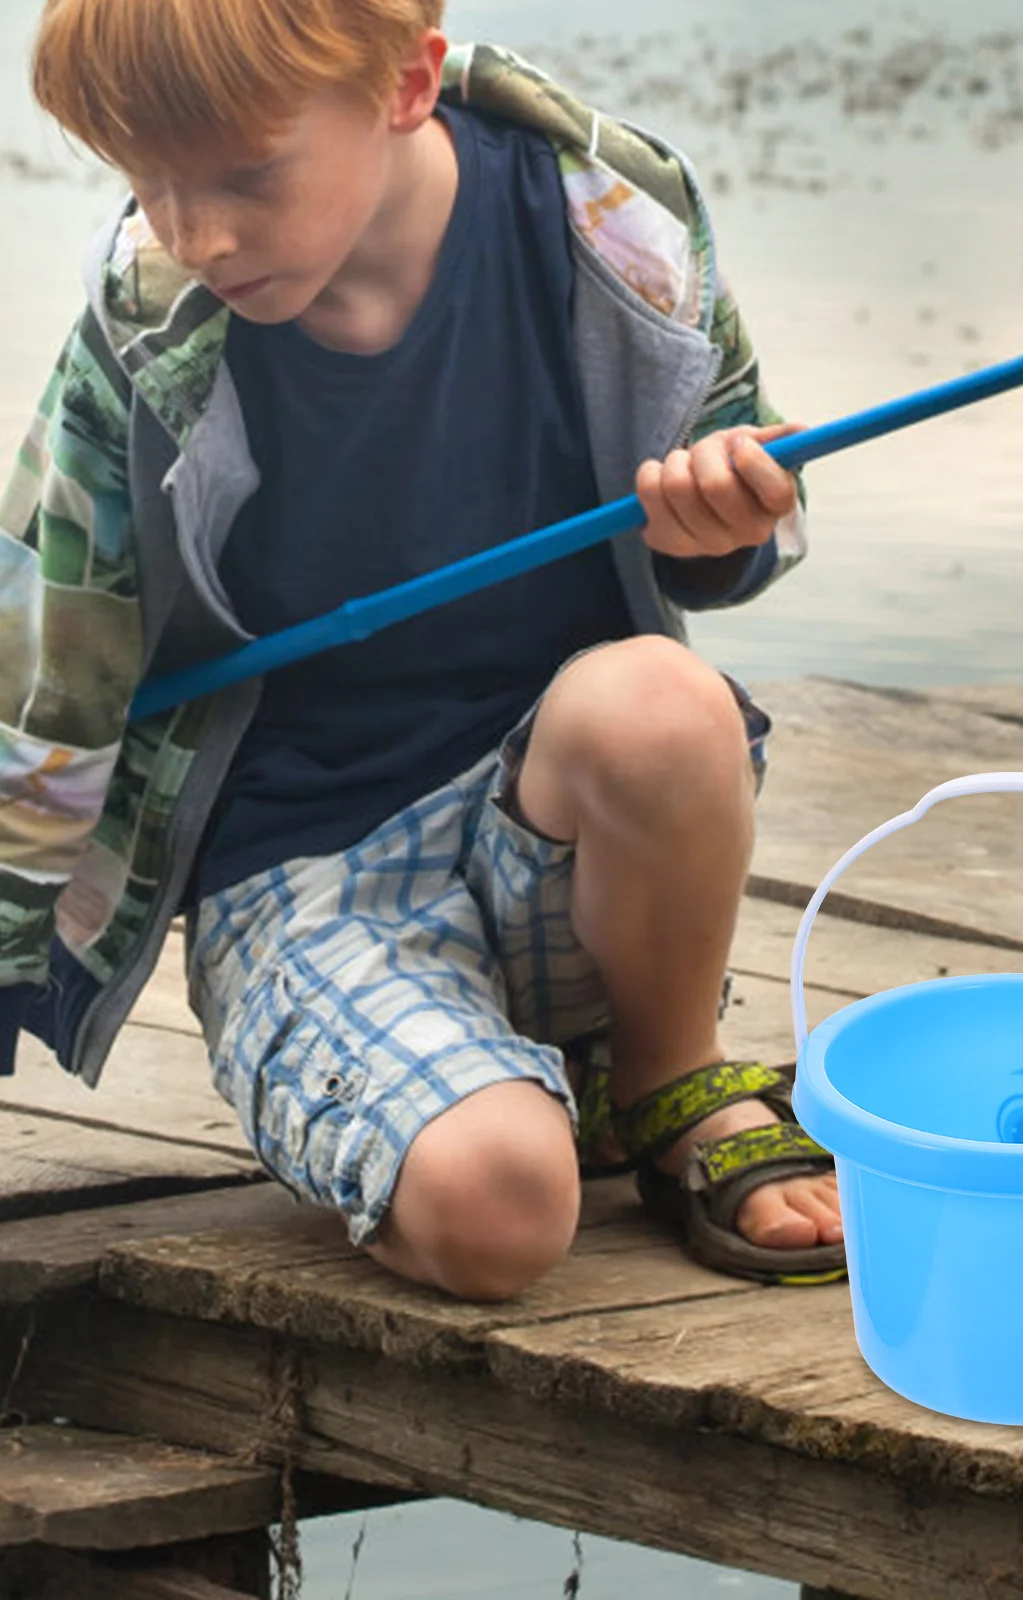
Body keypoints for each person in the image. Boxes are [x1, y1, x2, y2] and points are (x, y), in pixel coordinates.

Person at [0, 0, 846, 1299]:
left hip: (570, 849)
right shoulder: (148, 324)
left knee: (664, 702)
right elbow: (43, 696)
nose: (196, 232)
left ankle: (668, 1081)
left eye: (243, 176)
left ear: (405, 83)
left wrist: (719, 521)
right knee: (505, 1214)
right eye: (150, 183)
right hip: (307, 876)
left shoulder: (611, 219)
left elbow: (744, 529)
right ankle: (470, 1104)